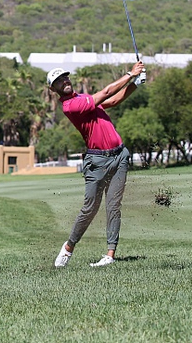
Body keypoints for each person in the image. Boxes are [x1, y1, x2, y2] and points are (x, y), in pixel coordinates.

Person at [49, 62, 144, 268]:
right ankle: (68, 248)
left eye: (65, 77)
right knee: (90, 208)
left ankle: (110, 255)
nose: (64, 81)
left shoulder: (84, 98)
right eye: (58, 81)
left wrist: (136, 84)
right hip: (97, 161)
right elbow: (107, 91)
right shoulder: (70, 106)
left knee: (114, 206)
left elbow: (115, 99)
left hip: (119, 156)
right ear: (53, 89)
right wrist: (130, 74)